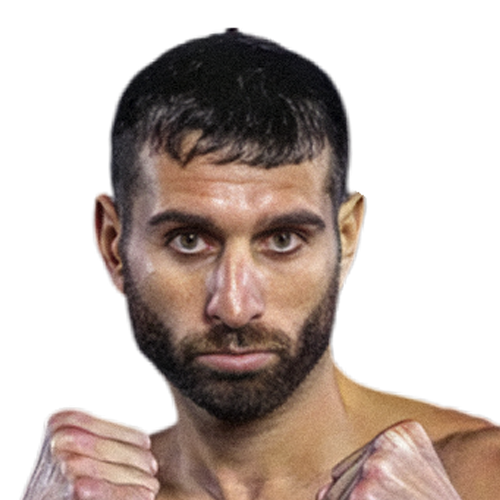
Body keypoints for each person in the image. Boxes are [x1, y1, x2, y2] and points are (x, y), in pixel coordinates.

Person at [21, 32, 499, 500]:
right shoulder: (80, 492)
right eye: (189, 241)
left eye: (282, 240)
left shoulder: (479, 476)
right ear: (113, 246)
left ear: (346, 239)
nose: (234, 307)